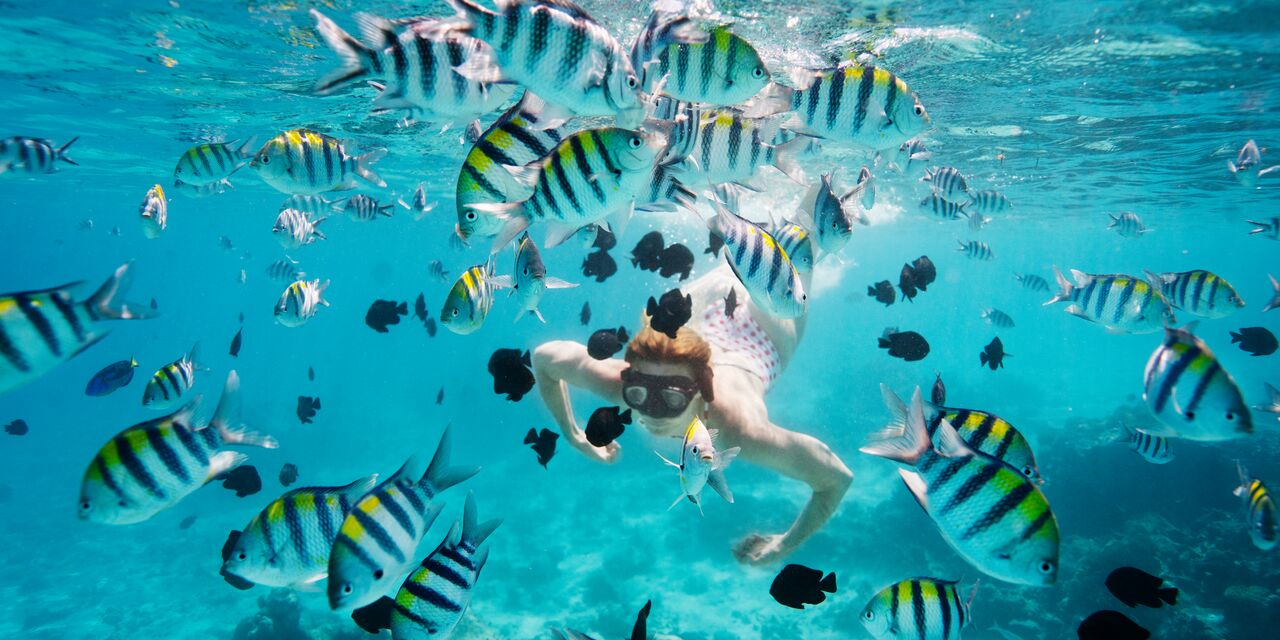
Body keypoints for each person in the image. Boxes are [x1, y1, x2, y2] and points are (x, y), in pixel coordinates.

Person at [532, 264, 852, 564]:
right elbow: (544, 358)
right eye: (638, 394)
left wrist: (784, 545)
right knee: (747, 254)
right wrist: (573, 435)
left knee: (803, 237)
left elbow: (836, 479)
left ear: (701, 391)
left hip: (768, 330)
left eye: (671, 398)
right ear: (628, 377)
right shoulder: (619, 383)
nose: (652, 410)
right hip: (709, 306)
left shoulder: (737, 428)